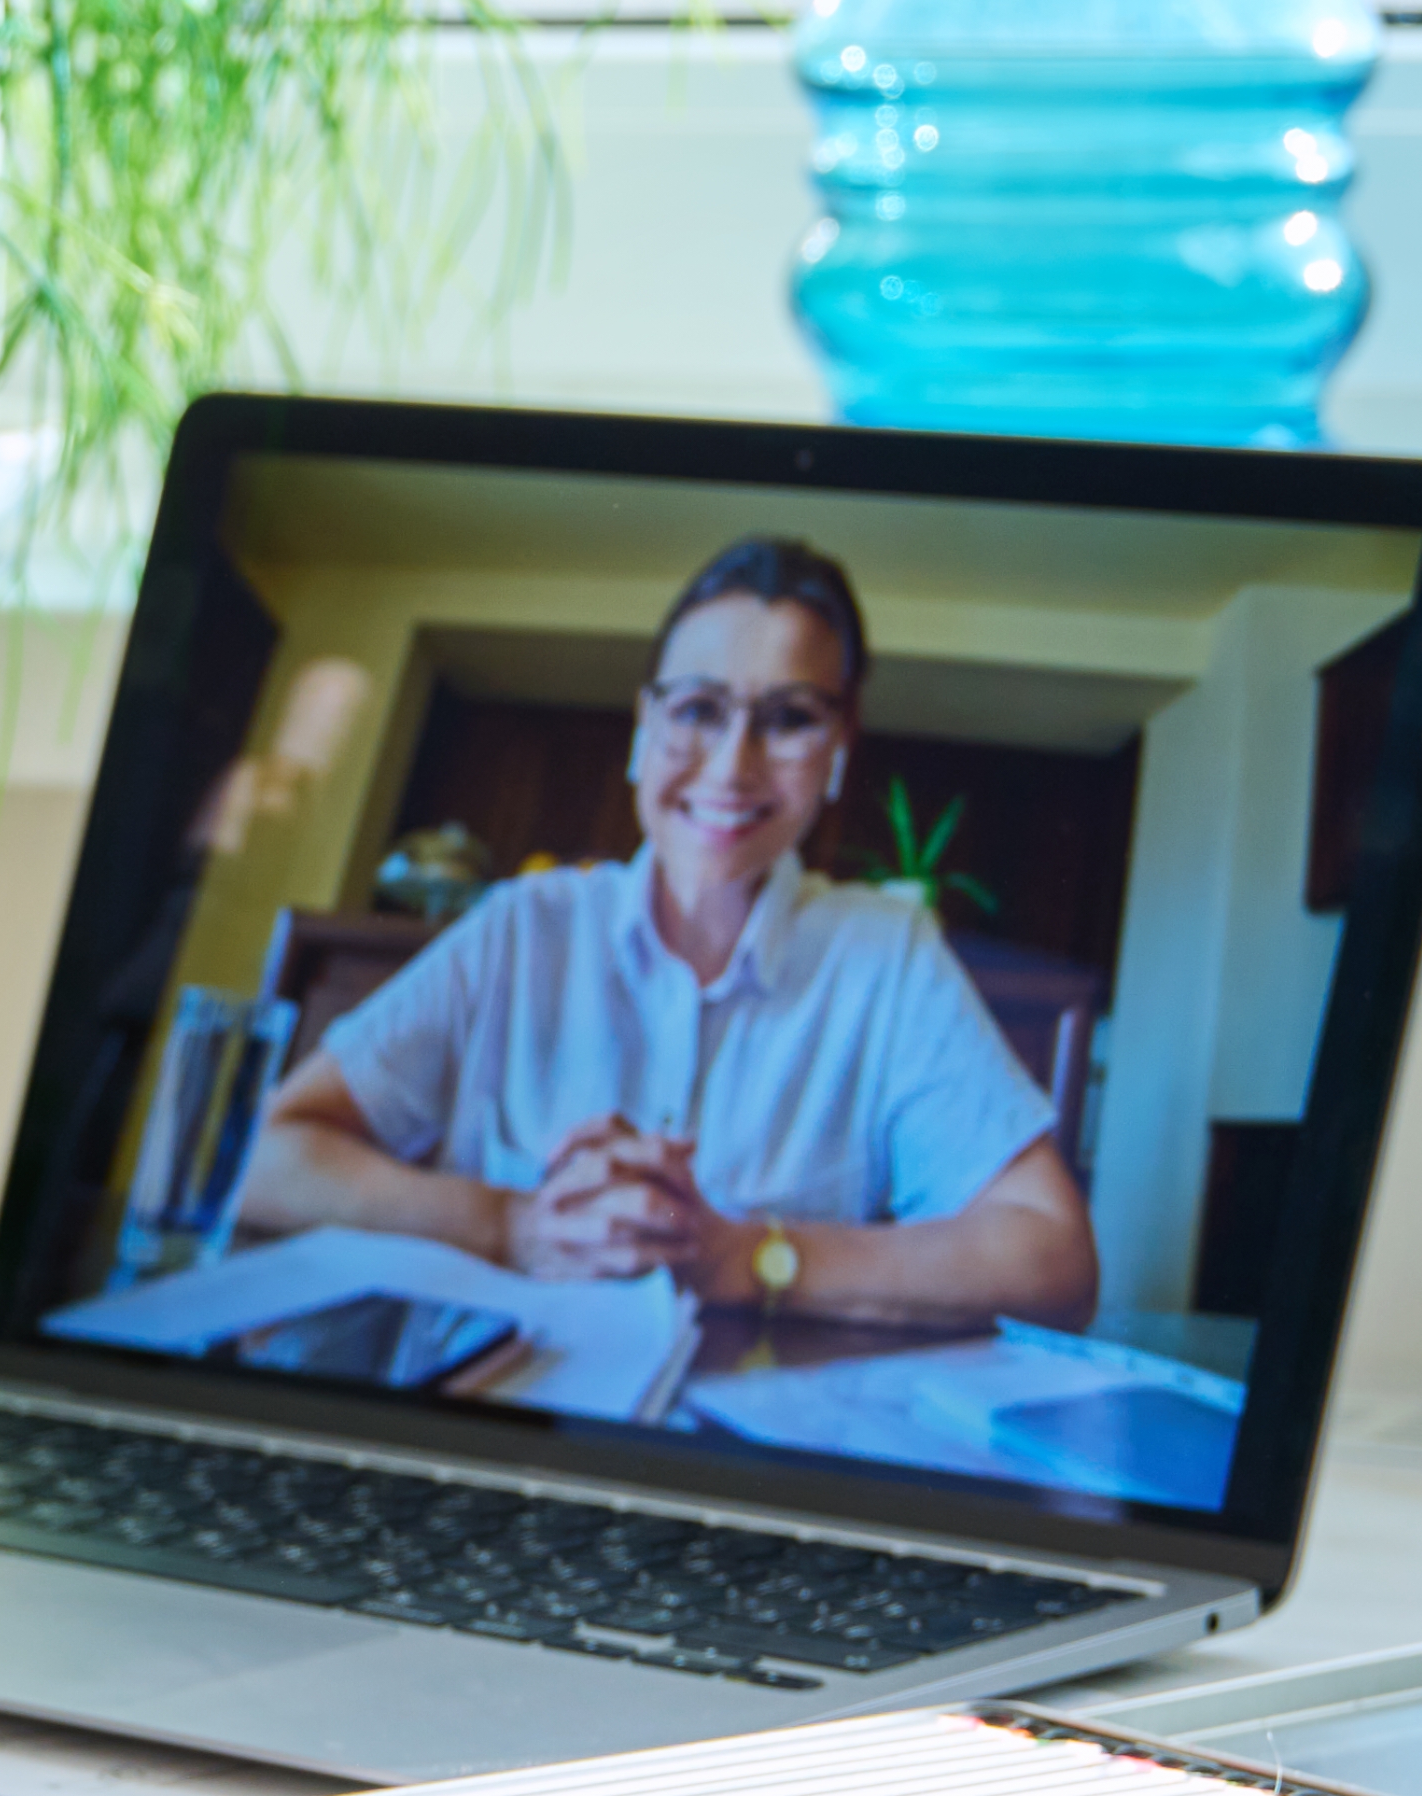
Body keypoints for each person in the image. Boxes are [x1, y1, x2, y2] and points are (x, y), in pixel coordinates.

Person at [233, 535, 1097, 1341]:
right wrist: (511, 1223)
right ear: (644, 729)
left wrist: (748, 1257)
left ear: (838, 746)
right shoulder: (522, 927)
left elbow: (1054, 1259)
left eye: (789, 717)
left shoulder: (886, 958)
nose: (731, 766)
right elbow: (263, 1155)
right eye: (697, 708)